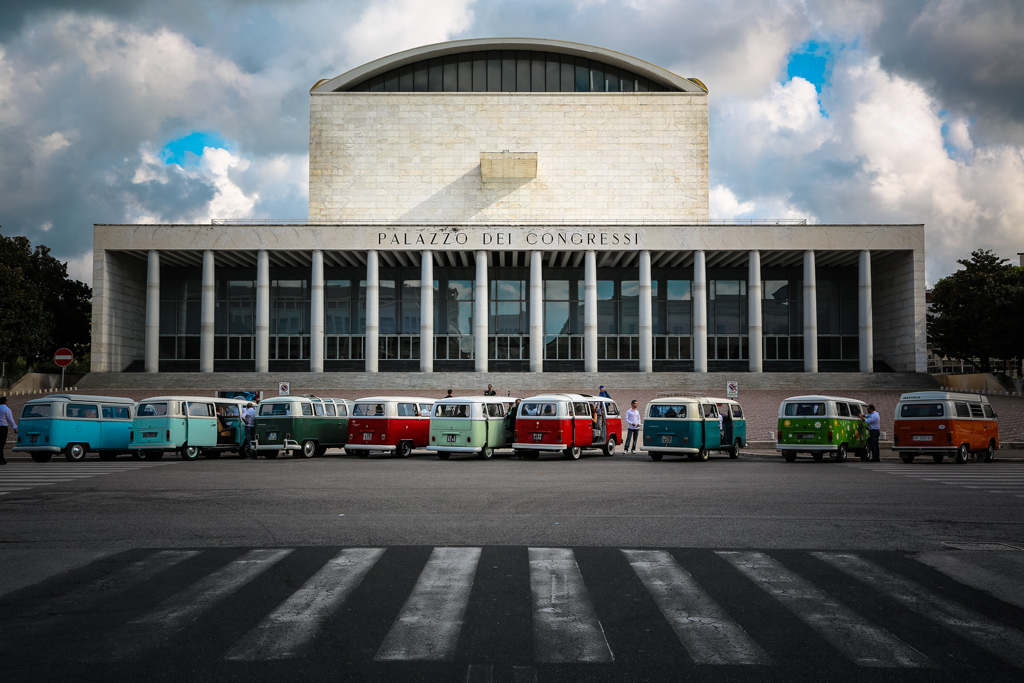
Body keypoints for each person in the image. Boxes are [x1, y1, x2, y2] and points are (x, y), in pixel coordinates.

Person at [0, 396, 17, 465]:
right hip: (3, 428)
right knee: (1, 444)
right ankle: (1, 459)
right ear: (5, 402)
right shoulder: (6, 409)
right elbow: (10, 420)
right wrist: (15, 427)